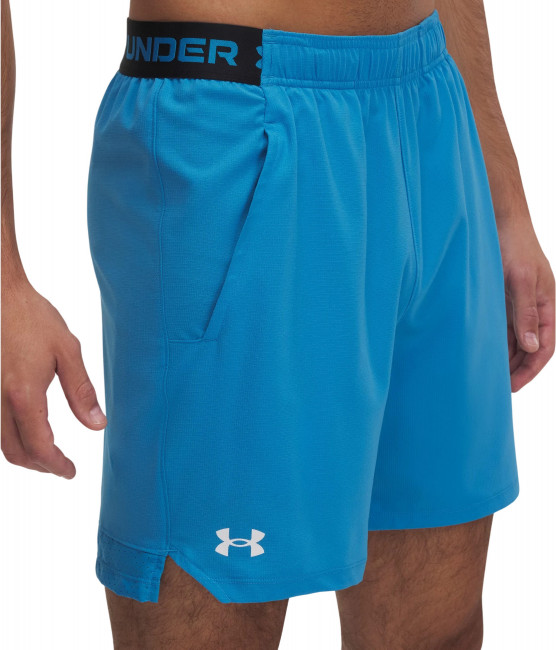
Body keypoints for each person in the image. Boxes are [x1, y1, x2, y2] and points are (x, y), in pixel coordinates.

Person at [2, 0, 554, 647]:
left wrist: (504, 201)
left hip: (432, 106)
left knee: (440, 628)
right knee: (214, 618)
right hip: (231, 113)